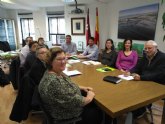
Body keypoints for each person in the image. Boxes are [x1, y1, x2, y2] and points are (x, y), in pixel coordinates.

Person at [38, 47, 102, 124]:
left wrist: (82, 87)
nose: (63, 62)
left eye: (64, 58)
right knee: (98, 110)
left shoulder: (54, 72)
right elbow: (78, 102)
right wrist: (89, 97)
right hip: (66, 114)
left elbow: (68, 85)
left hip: (63, 106)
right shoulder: (54, 82)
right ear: (50, 62)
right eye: (59, 59)